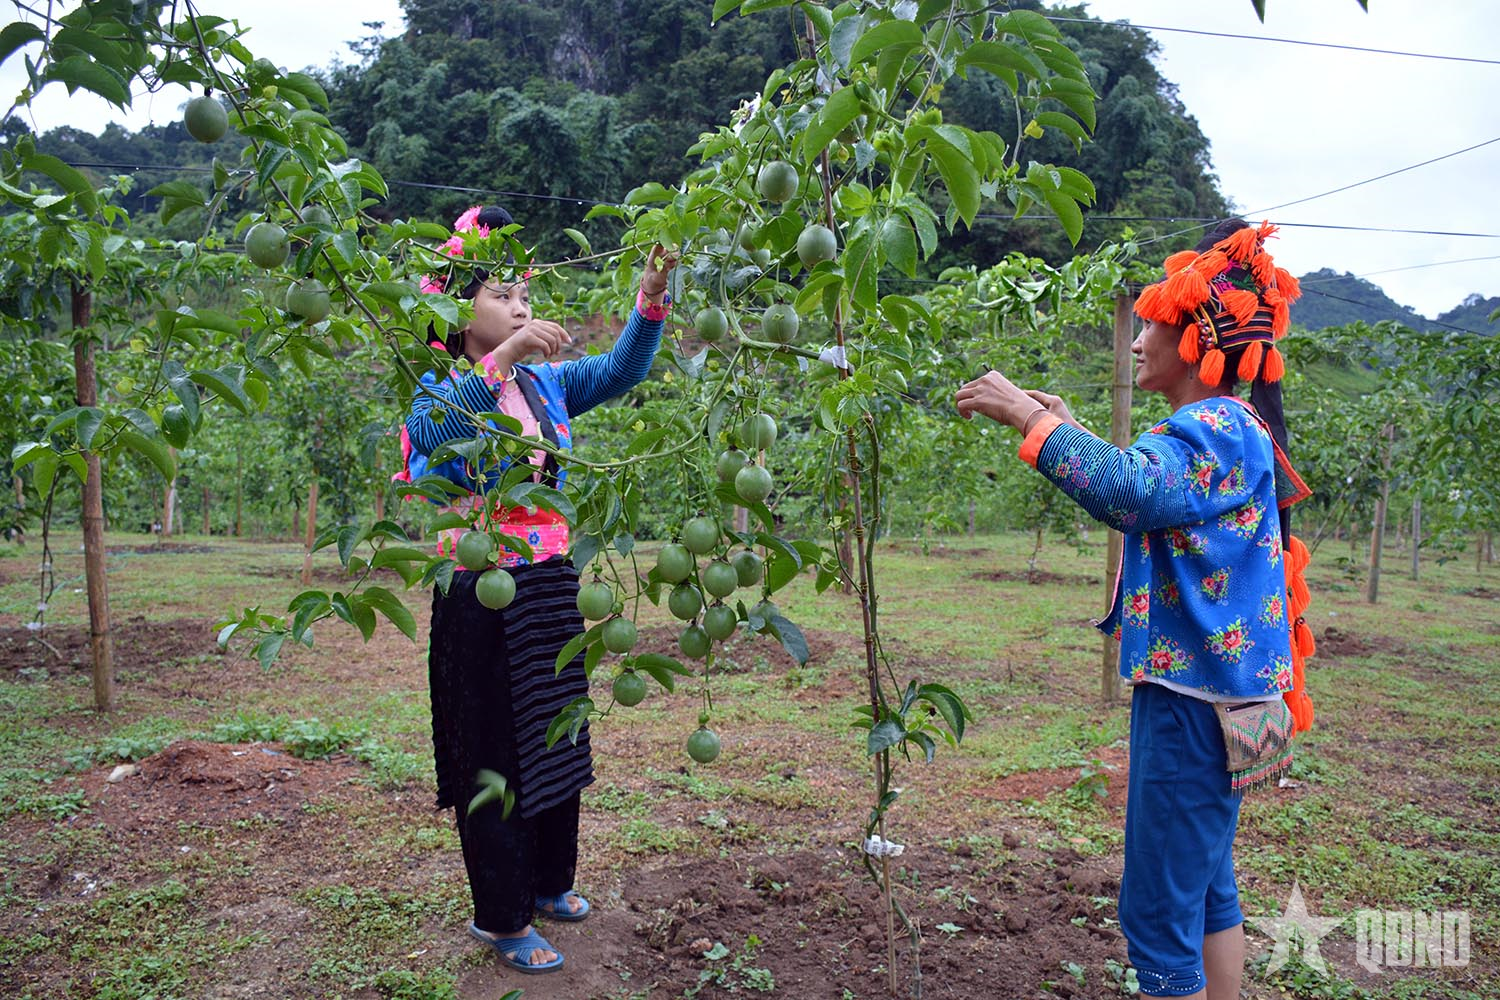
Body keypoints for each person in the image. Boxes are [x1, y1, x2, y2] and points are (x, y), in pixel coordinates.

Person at [955, 218, 1318, 1000]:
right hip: (1234, 702)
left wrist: (1029, 417)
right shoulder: (1227, 428)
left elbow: (1129, 491)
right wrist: (1069, 426)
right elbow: (1153, 486)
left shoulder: (1211, 427)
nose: (1136, 336)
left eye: (1151, 319)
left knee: (1157, 913)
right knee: (1205, 885)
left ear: (1193, 338)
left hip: (1193, 710)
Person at [399, 205, 676, 974]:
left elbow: (622, 369)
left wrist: (651, 297)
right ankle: (501, 917)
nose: (520, 307)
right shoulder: (438, 386)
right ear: (454, 313)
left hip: (552, 585)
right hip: (481, 593)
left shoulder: (545, 386)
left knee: (557, 742)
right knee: (493, 756)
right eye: (500, 295)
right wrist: (509, 353)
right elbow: (432, 435)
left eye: (525, 295)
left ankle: (550, 884)